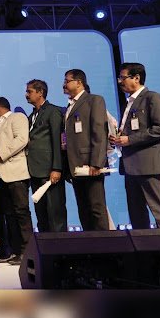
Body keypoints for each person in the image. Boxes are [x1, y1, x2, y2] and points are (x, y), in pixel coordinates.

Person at [110, 63, 160, 229]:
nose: (120, 81)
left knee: (158, 208)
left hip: (148, 163)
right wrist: (118, 138)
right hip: (130, 164)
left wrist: (129, 140)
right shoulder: (128, 103)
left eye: (123, 77)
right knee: (136, 210)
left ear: (136, 78)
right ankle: (141, 243)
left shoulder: (153, 98)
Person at [62, 69, 110, 231]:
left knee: (96, 207)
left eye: (67, 81)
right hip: (75, 166)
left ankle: (105, 244)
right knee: (83, 209)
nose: (64, 84)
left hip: (90, 165)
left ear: (79, 82)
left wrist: (96, 163)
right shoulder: (69, 106)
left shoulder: (94, 100)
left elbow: (99, 133)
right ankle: (89, 242)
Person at [0, 97, 32, 265]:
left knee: (21, 213)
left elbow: (22, 139)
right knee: (10, 215)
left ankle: (27, 251)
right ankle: (15, 251)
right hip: (1, 176)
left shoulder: (17, 117)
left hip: (16, 174)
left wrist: (1, 154)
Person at [25, 79, 67, 233]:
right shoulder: (32, 115)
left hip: (50, 171)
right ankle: (44, 245)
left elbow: (57, 141)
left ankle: (60, 246)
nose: (26, 95)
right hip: (34, 170)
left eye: (29, 91)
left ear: (40, 92)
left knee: (55, 213)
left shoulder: (52, 111)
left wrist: (57, 168)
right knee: (41, 214)